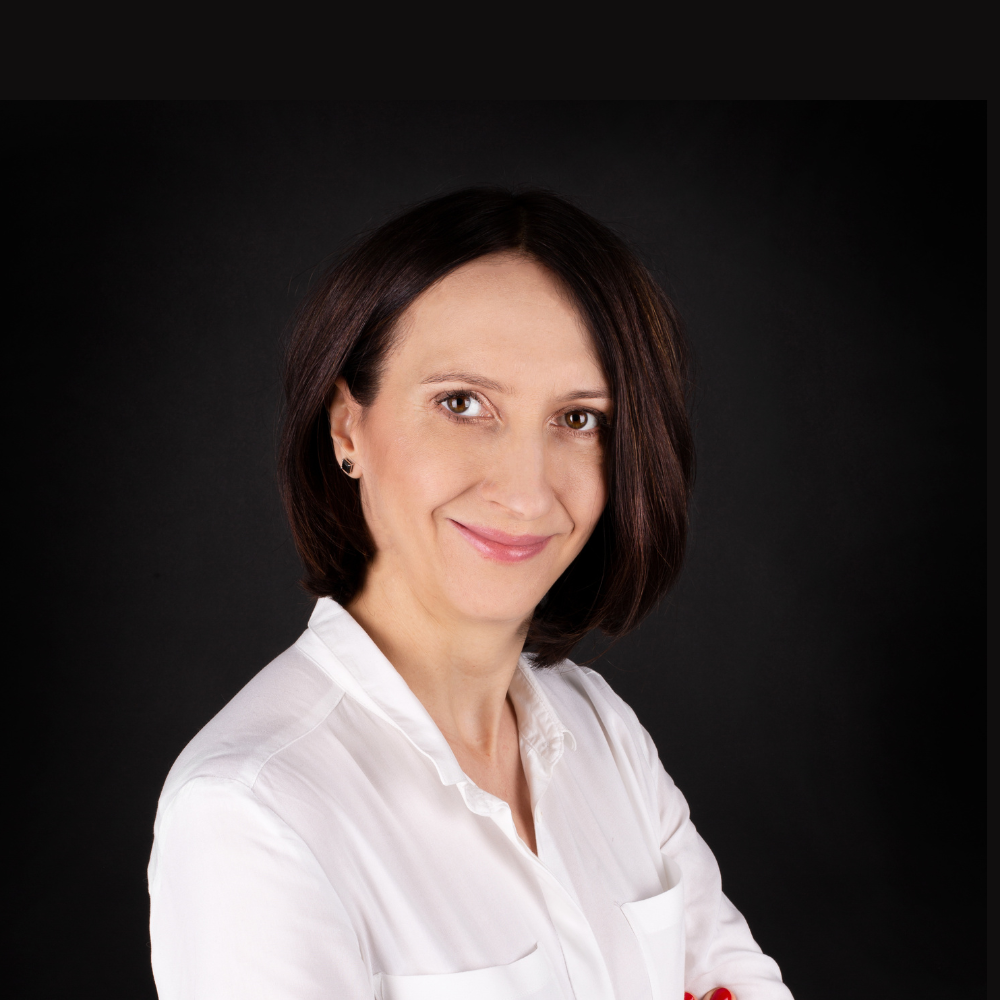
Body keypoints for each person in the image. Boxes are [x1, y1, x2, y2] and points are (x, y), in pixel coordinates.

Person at [147, 188, 793, 1000]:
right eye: (461, 404)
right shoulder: (250, 812)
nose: (525, 492)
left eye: (579, 419)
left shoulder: (604, 734)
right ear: (347, 427)